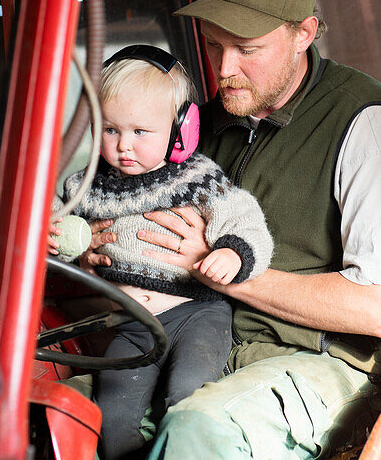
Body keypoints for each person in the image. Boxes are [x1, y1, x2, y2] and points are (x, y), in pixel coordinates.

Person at [136, 0, 381, 458]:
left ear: (304, 34)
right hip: (204, 346)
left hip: (327, 365)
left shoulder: (366, 124)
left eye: (247, 50)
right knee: (57, 409)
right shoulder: (208, 126)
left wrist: (216, 266)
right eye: (212, 45)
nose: (224, 67)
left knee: (199, 431)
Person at [49, 45, 273, 460]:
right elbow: (65, 230)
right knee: (112, 417)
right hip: (133, 327)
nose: (123, 147)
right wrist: (60, 243)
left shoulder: (197, 178)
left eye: (139, 132)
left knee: (185, 400)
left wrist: (234, 255)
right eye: (111, 130)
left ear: (180, 131)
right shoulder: (86, 185)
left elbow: (246, 223)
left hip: (198, 316)